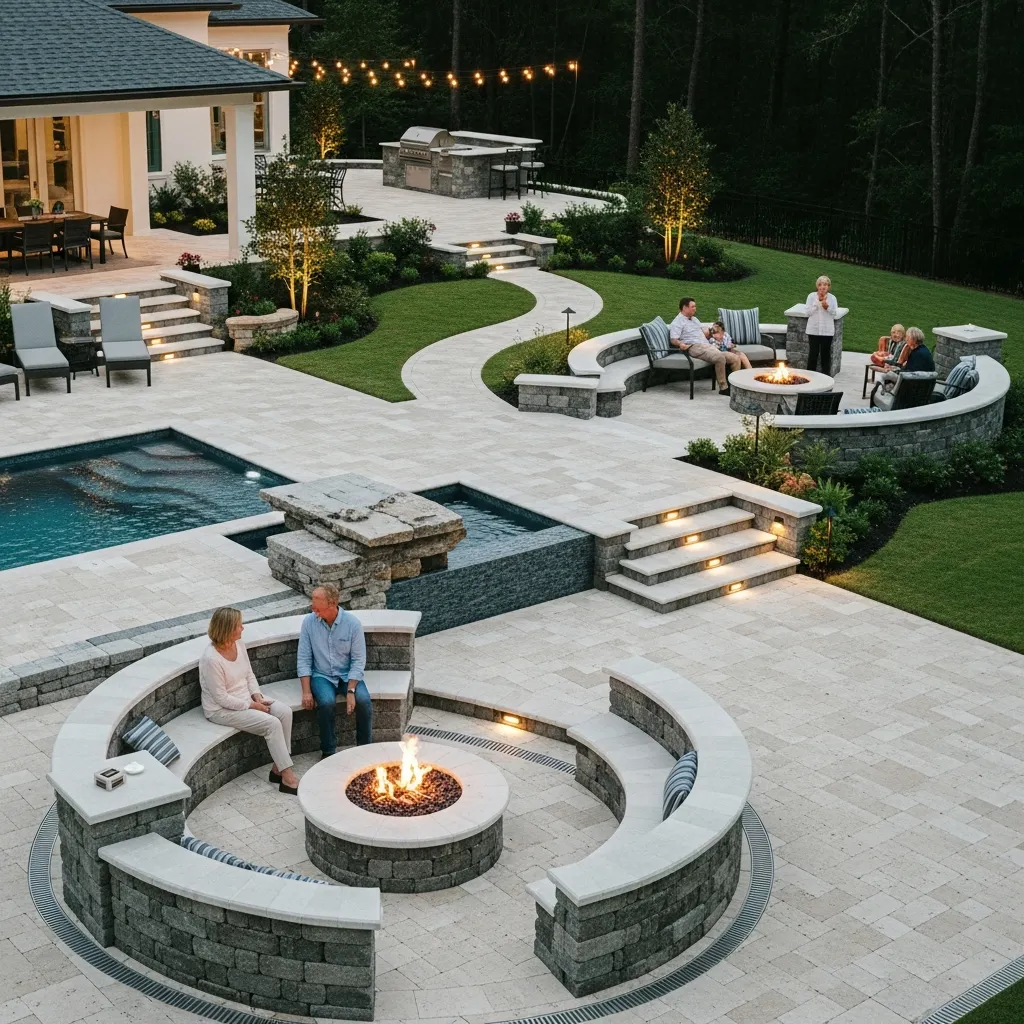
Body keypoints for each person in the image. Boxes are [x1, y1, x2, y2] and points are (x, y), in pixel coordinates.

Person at [199, 607, 299, 794]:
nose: (243, 628)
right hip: (221, 710)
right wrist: (252, 706)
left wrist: (257, 695)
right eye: (239, 625)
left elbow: (249, 674)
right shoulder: (211, 659)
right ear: (227, 629)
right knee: (272, 724)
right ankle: (288, 777)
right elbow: (220, 698)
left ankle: (277, 768)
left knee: (284, 712)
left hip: (246, 698)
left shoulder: (238, 644)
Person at [297, 583, 371, 758]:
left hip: (347, 675)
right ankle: (328, 751)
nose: (312, 606)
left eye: (316, 601)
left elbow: (359, 660)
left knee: (364, 701)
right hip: (321, 675)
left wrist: (351, 689)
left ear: (331, 603)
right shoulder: (309, 622)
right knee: (326, 703)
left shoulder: (352, 624)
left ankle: (365, 749)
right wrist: (306, 691)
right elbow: (304, 658)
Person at [668, 298, 732, 396]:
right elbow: (673, 339)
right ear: (685, 308)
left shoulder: (694, 319)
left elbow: (704, 333)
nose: (695, 309)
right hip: (695, 347)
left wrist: (713, 332)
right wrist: (680, 344)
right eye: (692, 306)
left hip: (707, 345)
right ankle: (724, 388)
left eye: (695, 306)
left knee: (735, 358)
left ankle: (734, 386)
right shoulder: (677, 322)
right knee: (720, 358)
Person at [803, 275, 839, 373]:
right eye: (820, 284)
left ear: (829, 286)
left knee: (825, 355)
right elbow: (807, 312)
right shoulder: (811, 296)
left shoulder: (832, 298)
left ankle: (826, 377)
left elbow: (835, 313)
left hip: (827, 331)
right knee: (813, 354)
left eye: (825, 285)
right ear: (817, 286)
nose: (822, 287)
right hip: (813, 330)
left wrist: (827, 307)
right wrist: (817, 303)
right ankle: (810, 376)